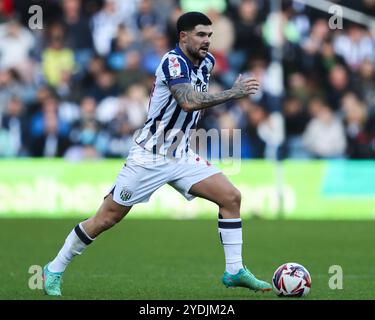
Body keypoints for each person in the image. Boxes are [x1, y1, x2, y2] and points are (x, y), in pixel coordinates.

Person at [43, 11, 272, 296]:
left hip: (182, 154)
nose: (207, 41)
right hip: (149, 156)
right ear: (183, 36)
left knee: (231, 197)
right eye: (201, 35)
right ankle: (54, 268)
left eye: (210, 36)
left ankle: (234, 269)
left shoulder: (208, 62)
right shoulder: (172, 62)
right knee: (106, 218)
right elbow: (188, 102)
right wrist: (232, 93)